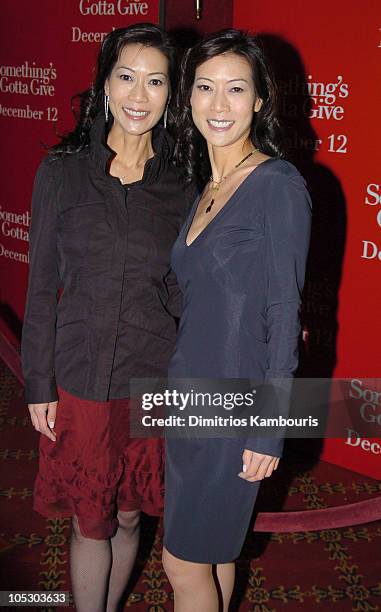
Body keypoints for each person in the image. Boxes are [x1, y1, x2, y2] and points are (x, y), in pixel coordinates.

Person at [21, 23, 194, 612]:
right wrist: (37, 384)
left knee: (127, 514)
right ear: (104, 83)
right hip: (83, 378)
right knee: (90, 521)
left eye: (155, 81)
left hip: (154, 376)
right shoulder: (62, 173)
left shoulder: (185, 185)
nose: (139, 96)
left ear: (172, 93)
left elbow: (187, 292)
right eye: (126, 77)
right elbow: (41, 287)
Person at [162, 29, 312, 611]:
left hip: (236, 403)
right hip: (188, 395)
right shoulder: (208, 186)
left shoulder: (277, 185)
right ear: (188, 96)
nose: (218, 105)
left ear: (259, 101)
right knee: (215, 553)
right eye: (205, 87)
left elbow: (285, 309)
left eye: (235, 89)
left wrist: (270, 427)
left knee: (181, 560)